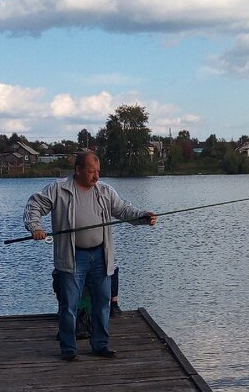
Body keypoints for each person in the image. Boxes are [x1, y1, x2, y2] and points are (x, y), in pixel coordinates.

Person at [24, 151, 155, 360]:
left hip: (100, 255)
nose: (96, 176)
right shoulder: (58, 189)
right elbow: (34, 205)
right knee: (70, 305)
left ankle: (100, 344)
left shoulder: (104, 191)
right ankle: (69, 349)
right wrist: (35, 227)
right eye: (91, 171)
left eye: (98, 171)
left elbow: (122, 210)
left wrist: (142, 217)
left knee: (103, 302)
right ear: (78, 170)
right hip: (73, 256)